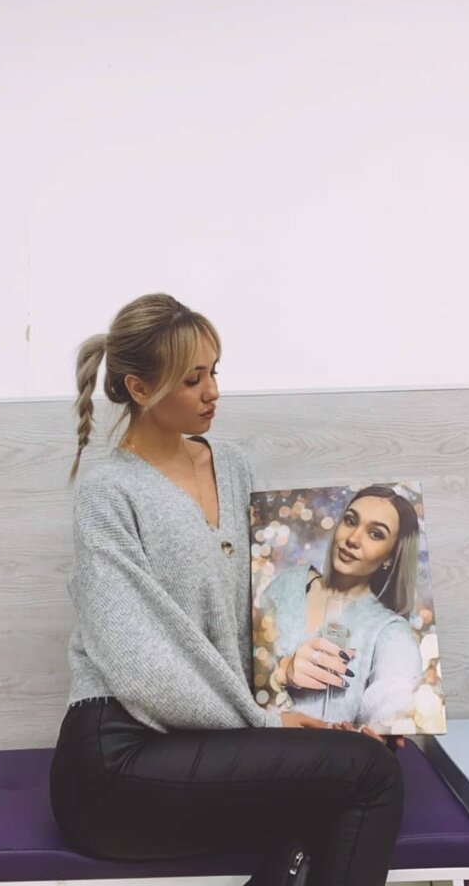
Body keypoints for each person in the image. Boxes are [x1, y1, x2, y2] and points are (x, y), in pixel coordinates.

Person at [50, 293, 404, 886]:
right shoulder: (107, 493)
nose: (213, 391)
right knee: (367, 776)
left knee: (354, 772)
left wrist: (336, 714)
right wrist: (268, 725)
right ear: (140, 388)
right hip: (118, 757)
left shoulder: (232, 466)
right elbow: (140, 667)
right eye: (193, 380)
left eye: (214, 372)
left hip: (209, 740)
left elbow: (256, 621)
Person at [261, 487, 423, 732]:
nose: (353, 539)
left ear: (391, 556)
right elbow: (238, 668)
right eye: (350, 521)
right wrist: (281, 671)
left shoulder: (390, 632)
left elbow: (393, 715)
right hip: (252, 742)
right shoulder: (289, 583)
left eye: (375, 534)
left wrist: (376, 734)